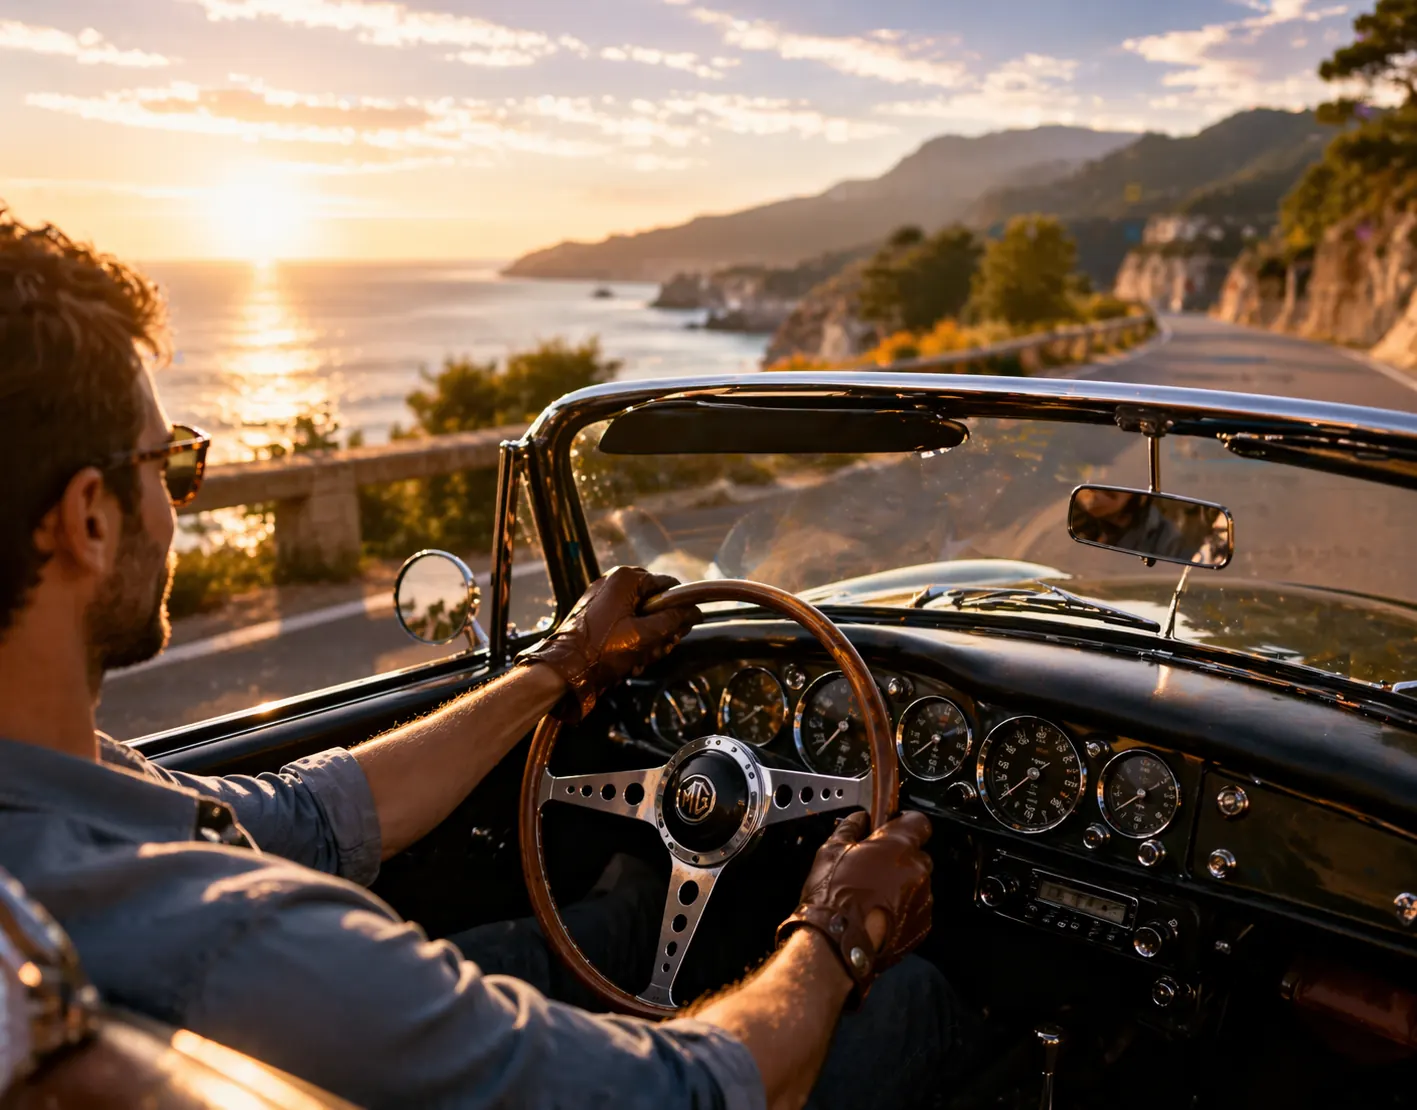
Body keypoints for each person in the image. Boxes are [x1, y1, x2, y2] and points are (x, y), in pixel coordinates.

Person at [0, 210, 961, 1110]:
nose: (178, 504)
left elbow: (312, 817)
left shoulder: (70, 790)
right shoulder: (231, 938)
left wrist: (560, 664)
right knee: (926, 1003)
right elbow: (689, 1095)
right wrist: (837, 931)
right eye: (171, 466)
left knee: (617, 926)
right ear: (89, 519)